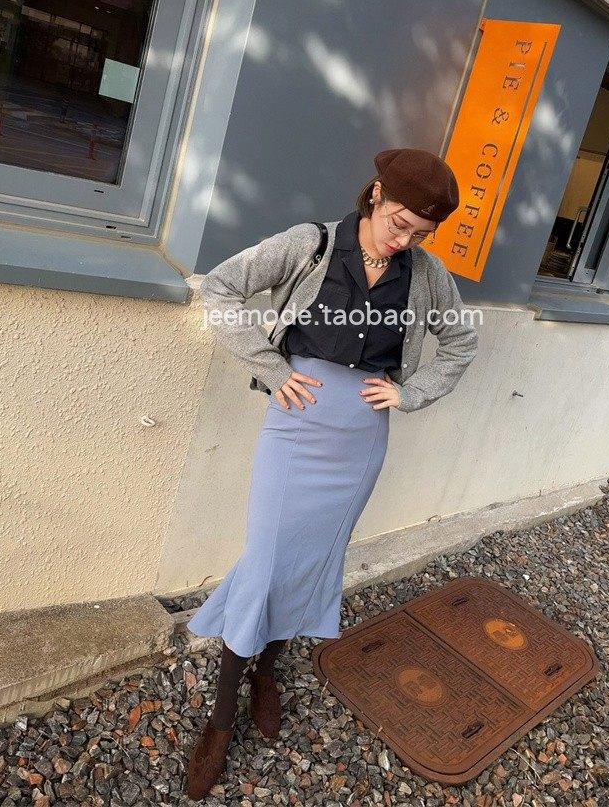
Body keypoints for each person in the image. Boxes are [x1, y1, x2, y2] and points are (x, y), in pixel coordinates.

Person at [185, 148, 479, 799]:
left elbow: (461, 342)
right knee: (266, 562)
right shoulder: (311, 245)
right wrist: (271, 368)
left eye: (421, 234)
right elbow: (221, 288)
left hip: (362, 439)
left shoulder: (426, 275)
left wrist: (411, 392)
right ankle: (222, 717)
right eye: (400, 223)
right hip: (298, 424)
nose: (405, 241)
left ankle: (268, 671)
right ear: (376, 194)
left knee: (314, 563)